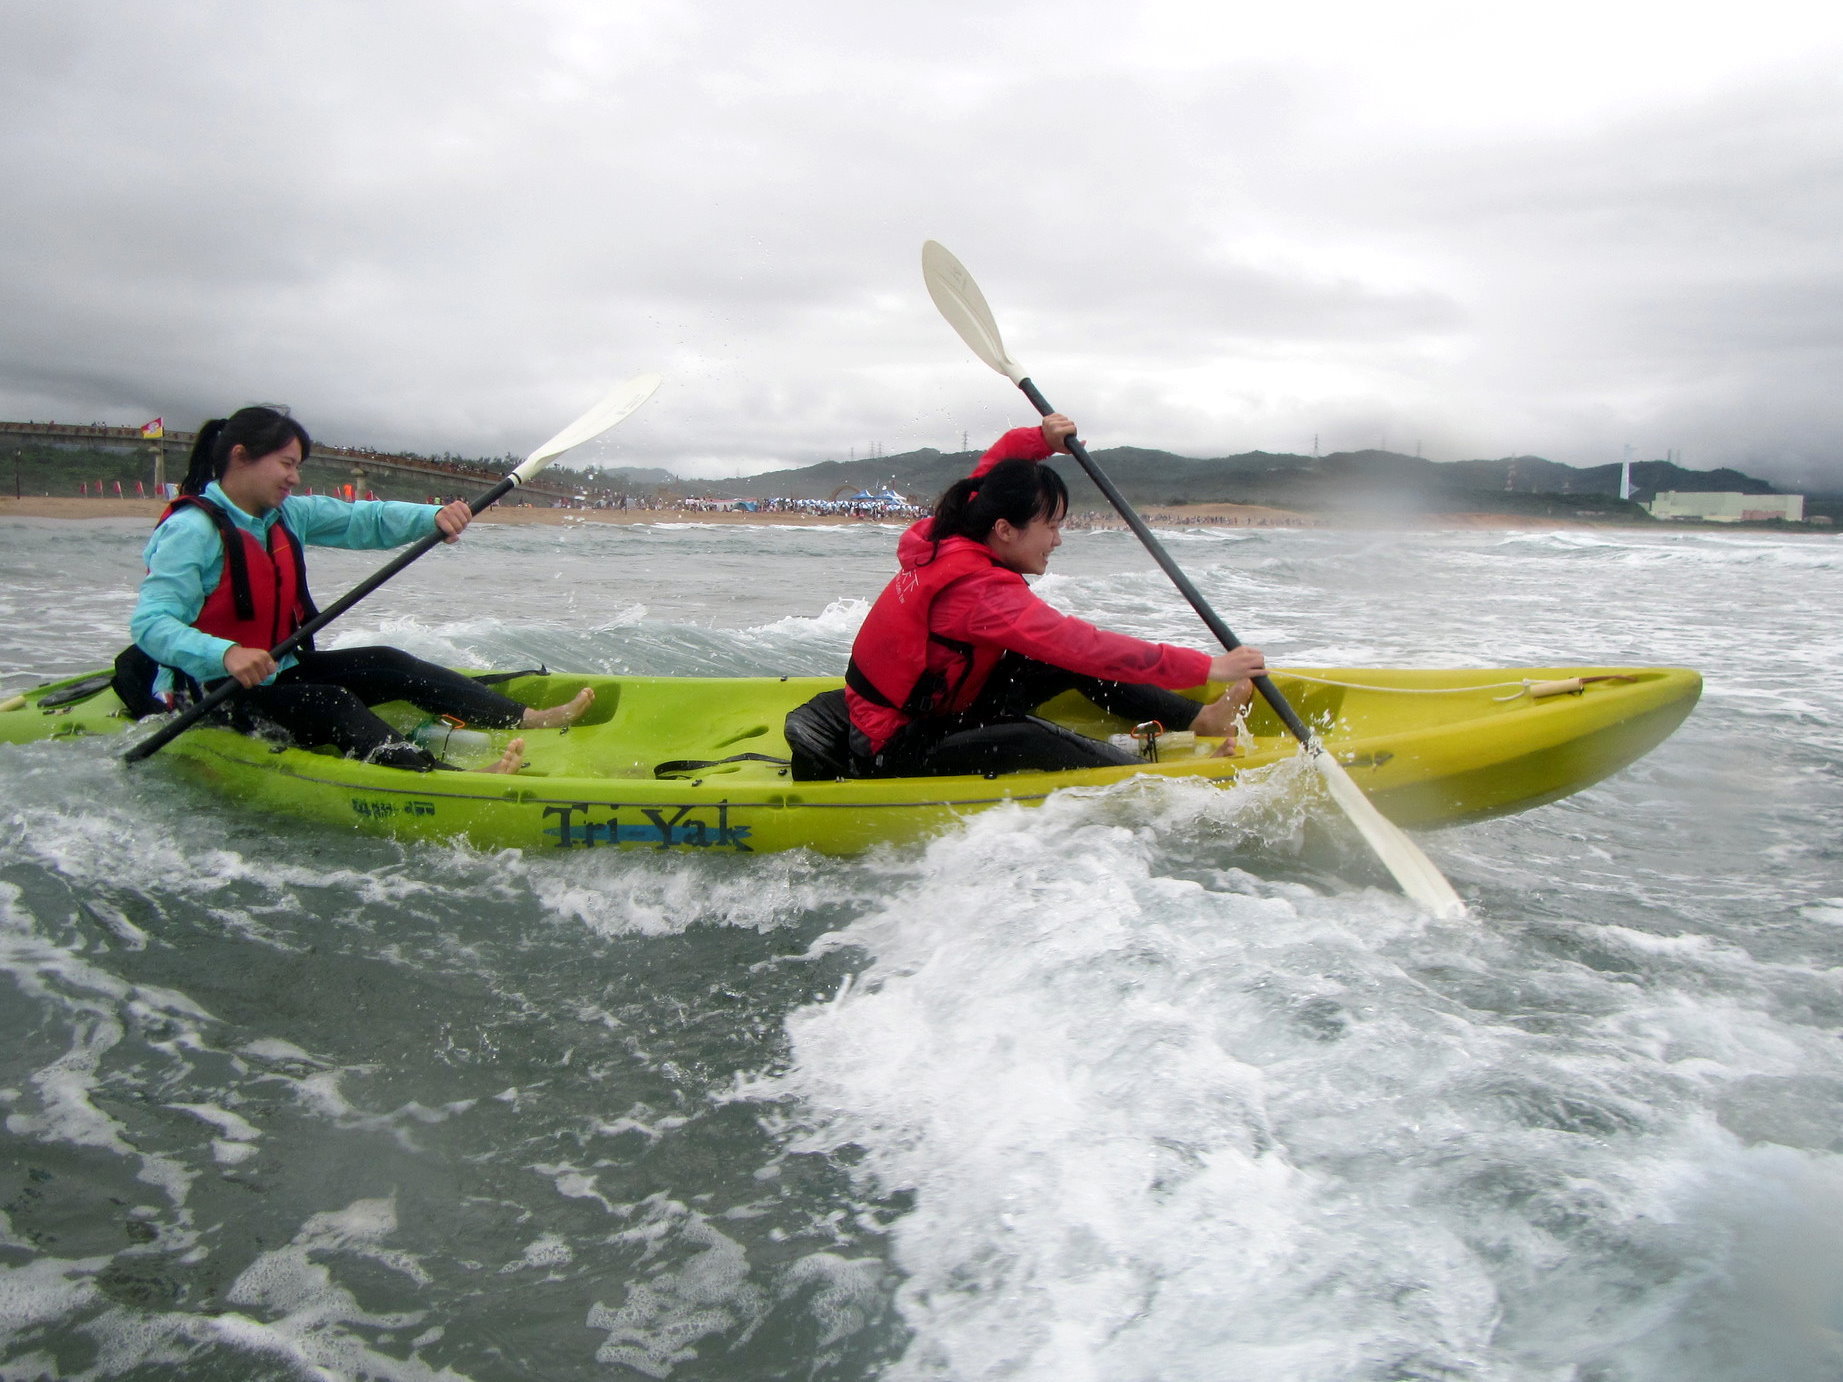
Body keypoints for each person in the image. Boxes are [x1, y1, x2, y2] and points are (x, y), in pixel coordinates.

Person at [785, 414, 1266, 779]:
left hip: (937, 704)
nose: (1057, 539)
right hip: (893, 745)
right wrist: (1207, 667)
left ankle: (1200, 718)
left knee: (1062, 662)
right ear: (1005, 530)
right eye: (1051, 526)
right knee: (1029, 734)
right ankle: (1149, 778)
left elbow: (989, 473)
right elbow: (1089, 645)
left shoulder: (954, 528)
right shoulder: (979, 593)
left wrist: (1040, 441)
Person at [120, 405, 592, 773]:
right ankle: (438, 777)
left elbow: (362, 520)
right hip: (207, 693)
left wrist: (431, 518)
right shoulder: (192, 530)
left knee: (387, 662)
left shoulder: (285, 515)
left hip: (276, 672)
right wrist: (225, 654)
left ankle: (528, 717)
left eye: (297, 466)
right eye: (286, 463)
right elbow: (151, 624)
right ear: (241, 456)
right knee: (330, 702)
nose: (294, 477)